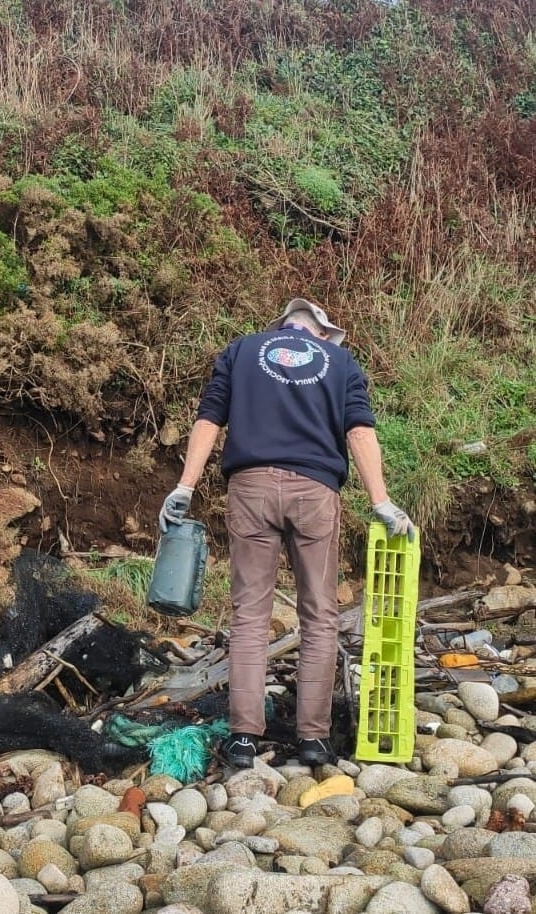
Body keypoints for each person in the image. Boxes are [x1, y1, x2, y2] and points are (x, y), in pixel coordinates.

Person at [158, 298, 414, 769]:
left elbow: (209, 419)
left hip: (251, 489)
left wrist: (185, 487)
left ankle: (243, 739)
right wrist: (380, 501)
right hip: (315, 492)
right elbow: (359, 431)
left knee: (250, 616)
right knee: (319, 615)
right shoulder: (339, 361)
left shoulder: (241, 350)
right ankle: (313, 739)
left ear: (283, 329)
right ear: (320, 333)